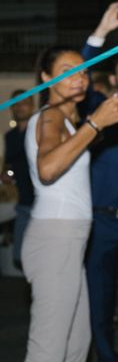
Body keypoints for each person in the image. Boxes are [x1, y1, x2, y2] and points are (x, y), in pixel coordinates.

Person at [22, 46, 118, 362]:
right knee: (49, 348)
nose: (78, 78)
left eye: (82, 71)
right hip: (55, 238)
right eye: (67, 71)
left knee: (77, 343)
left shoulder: (68, 119)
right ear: (46, 78)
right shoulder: (50, 115)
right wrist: (94, 125)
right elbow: (48, 169)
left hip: (70, 240)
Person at [80, 2, 118, 362]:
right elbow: (82, 76)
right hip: (100, 222)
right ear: (115, 78)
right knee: (99, 298)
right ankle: (105, 356)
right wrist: (100, 33)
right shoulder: (100, 108)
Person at [2, 89, 35, 270]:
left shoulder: (40, 131)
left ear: (32, 106)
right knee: (19, 255)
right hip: (21, 201)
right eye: (16, 104)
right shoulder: (10, 136)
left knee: (37, 255)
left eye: (24, 103)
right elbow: (9, 166)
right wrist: (7, 174)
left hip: (40, 201)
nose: (20, 107)